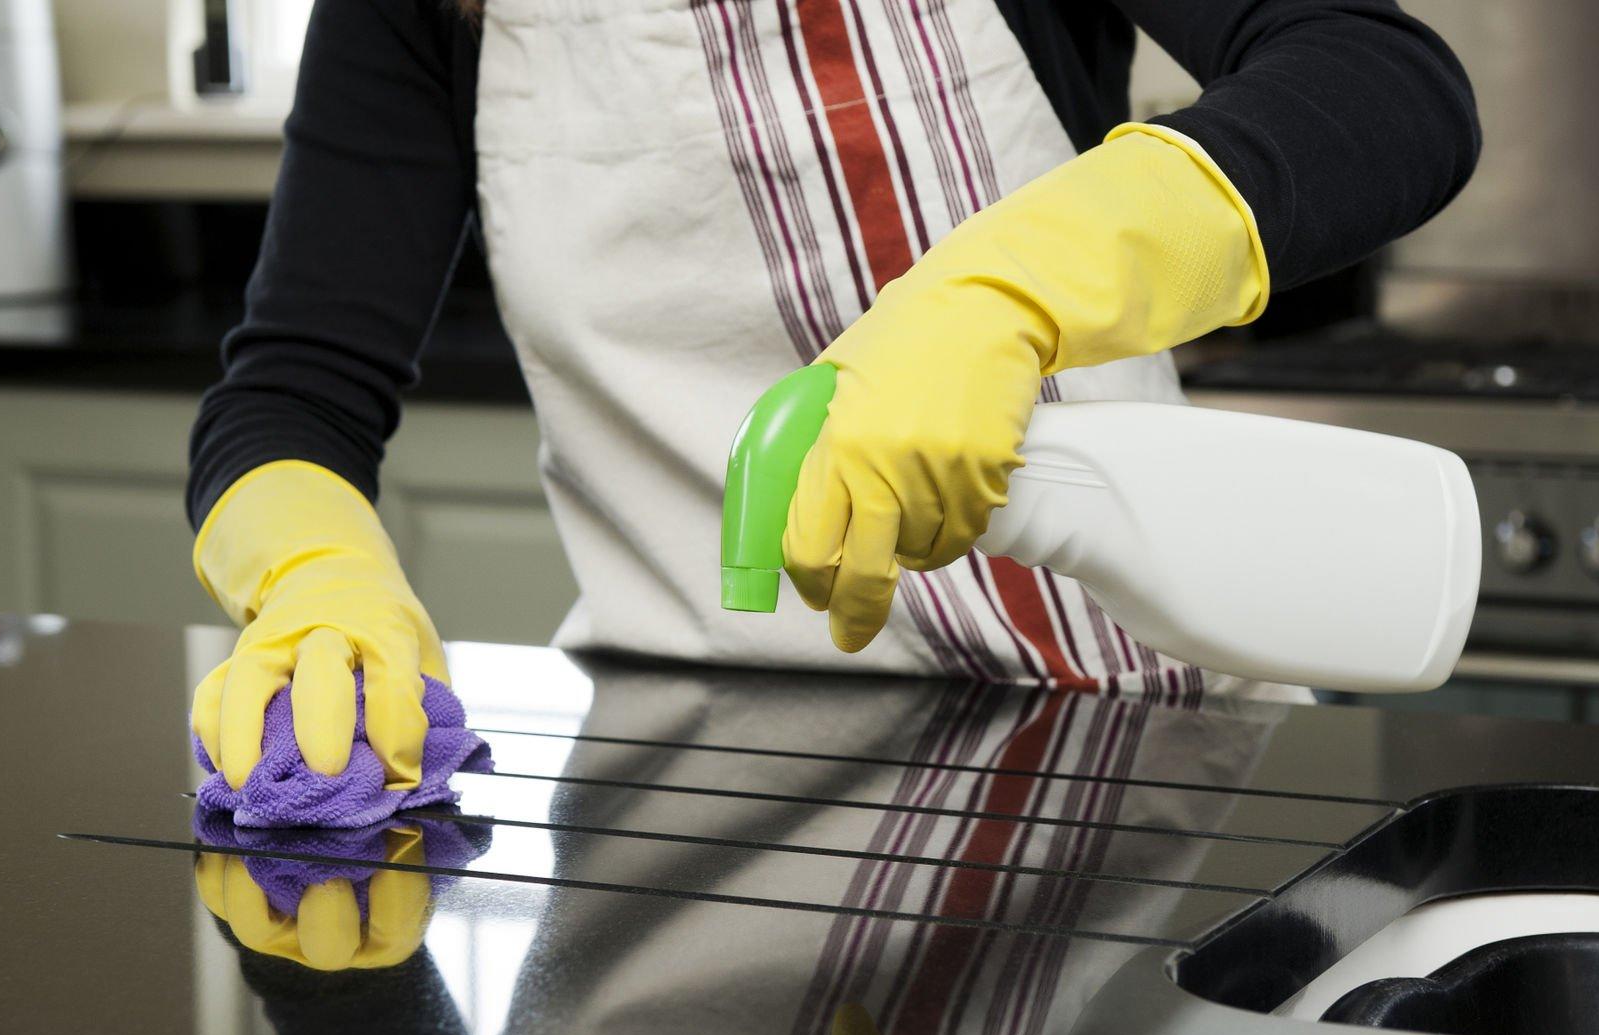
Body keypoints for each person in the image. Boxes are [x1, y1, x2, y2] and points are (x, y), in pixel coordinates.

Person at [186, 0, 1479, 789]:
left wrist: (1013, 290)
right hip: (693, 819)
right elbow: (293, 393)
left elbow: (1378, 79)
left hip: (1143, 751)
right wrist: (315, 581)